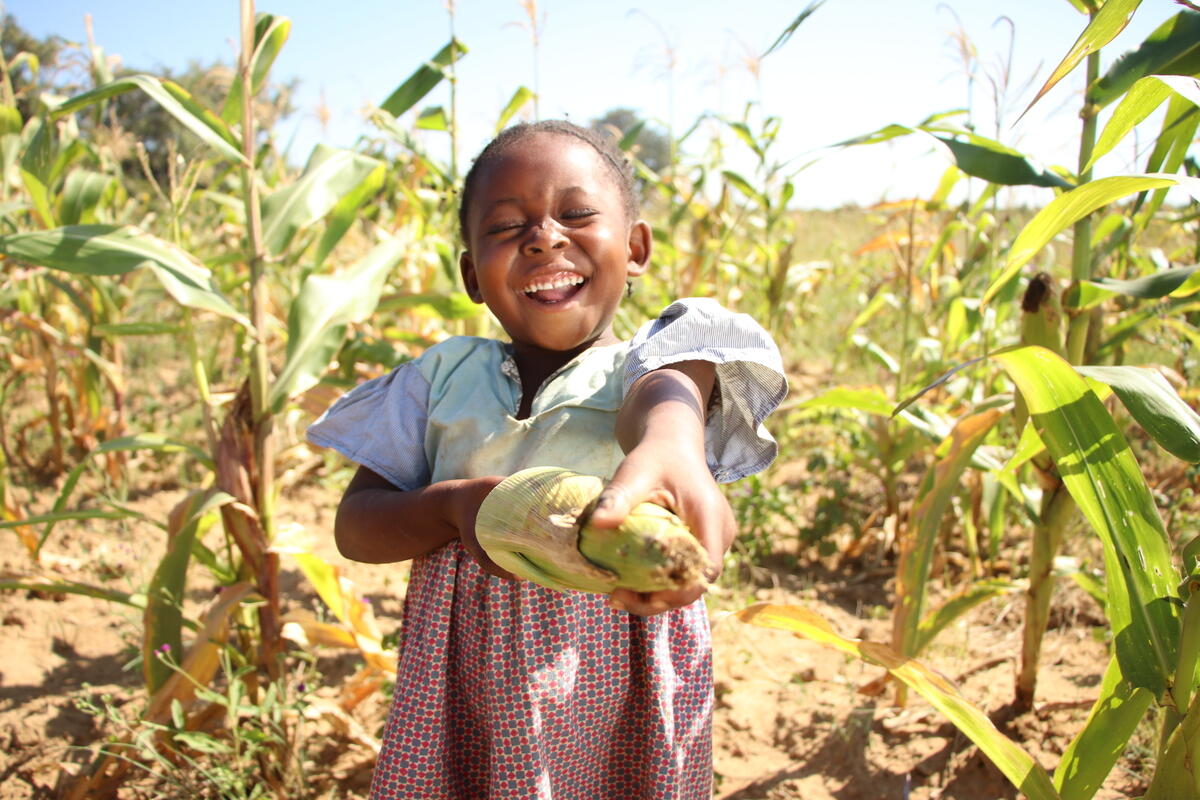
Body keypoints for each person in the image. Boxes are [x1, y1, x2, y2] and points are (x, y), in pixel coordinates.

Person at [307, 119, 786, 800]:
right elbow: (356, 526)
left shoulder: (645, 366)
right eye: (507, 228)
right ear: (472, 274)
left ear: (636, 246)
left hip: (620, 681)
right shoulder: (437, 379)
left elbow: (669, 389)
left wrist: (673, 440)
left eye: (578, 213)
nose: (543, 237)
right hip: (465, 686)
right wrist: (452, 506)